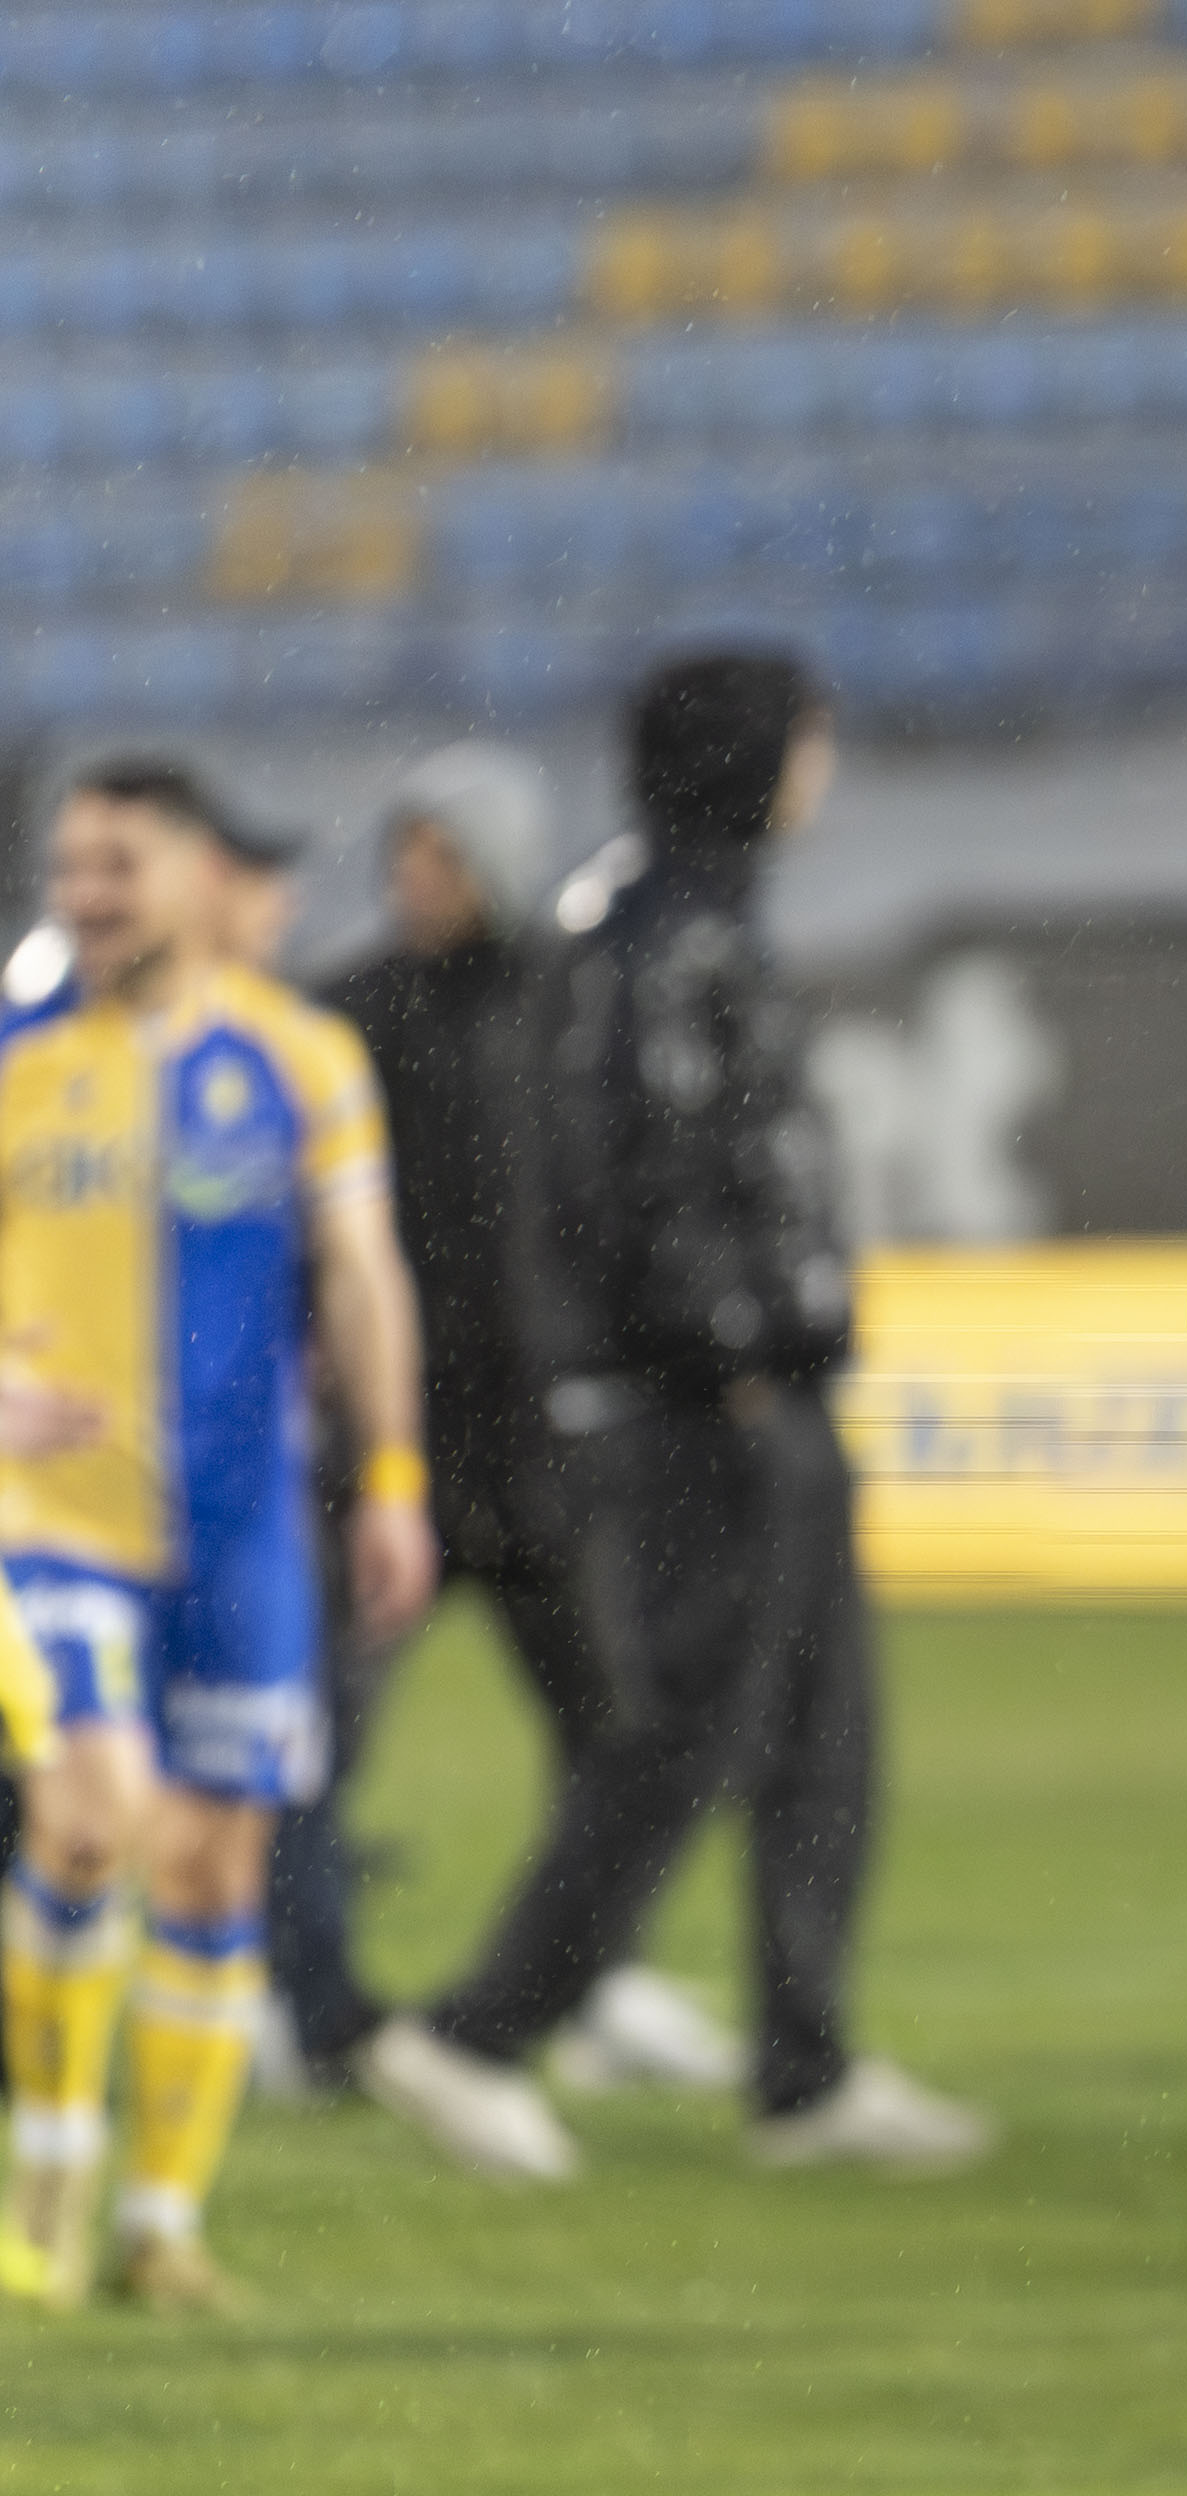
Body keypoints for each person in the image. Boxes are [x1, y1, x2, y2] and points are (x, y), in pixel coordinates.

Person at [361, 653, 987, 2182]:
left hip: (743, 1389)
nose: (820, 769)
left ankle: (804, 2067)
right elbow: (646, 1180)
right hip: (710, 1403)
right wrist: (734, 1355)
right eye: (807, 740)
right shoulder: (661, 935)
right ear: (757, 758)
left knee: (821, 1737)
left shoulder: (658, 919)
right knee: (684, 1735)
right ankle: (479, 2032)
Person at [0, 755, 437, 2311]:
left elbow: (364, 1275)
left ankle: (162, 2226)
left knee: (210, 1861)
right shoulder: (16, 1046)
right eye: (70, 867)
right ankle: (48, 2175)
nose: (86, 894)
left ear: (194, 879)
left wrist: (393, 1479)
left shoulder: (301, 1059)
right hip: (51, 1517)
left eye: (116, 866)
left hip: (243, 1534)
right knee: (89, 1815)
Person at [261, 744, 742, 2101]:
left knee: (616, 1738)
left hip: (540, 1458)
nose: (415, 876)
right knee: (311, 1744)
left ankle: (590, 1982)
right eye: (406, 851)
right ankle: (305, 2003)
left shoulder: (569, 1005)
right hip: (390, 1457)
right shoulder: (348, 1016)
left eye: (442, 853)